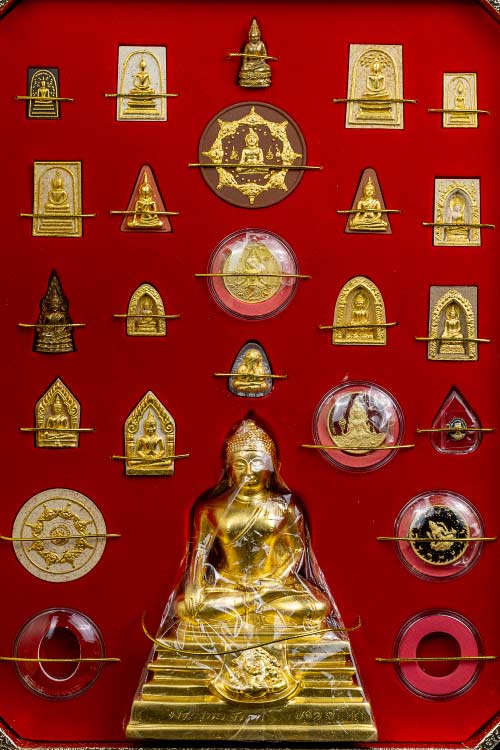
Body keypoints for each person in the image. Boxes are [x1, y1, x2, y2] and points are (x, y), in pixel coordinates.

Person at [239, 18, 271, 88]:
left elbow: (264, 55)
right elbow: (245, 58)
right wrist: (245, 64)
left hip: (259, 64)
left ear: (259, 36)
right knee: (244, 68)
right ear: (249, 37)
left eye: (256, 37)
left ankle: (261, 81)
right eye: (253, 37)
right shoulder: (248, 45)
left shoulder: (261, 44)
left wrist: (260, 61)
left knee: (266, 68)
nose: (254, 38)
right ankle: (249, 81)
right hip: (250, 64)